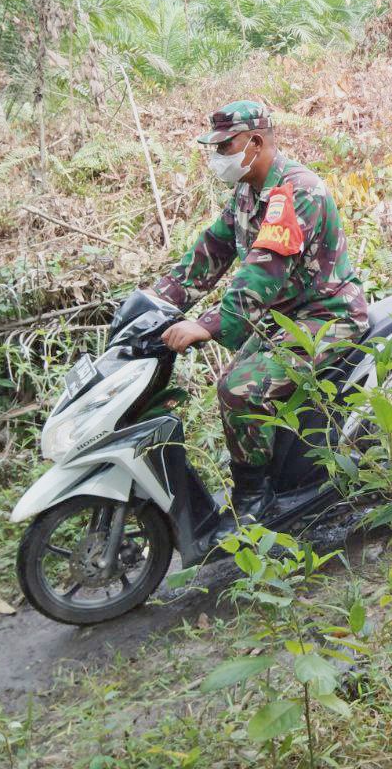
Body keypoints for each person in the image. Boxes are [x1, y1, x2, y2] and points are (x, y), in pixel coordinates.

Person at [153, 100, 369, 528]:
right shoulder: (248, 192)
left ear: (254, 142)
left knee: (240, 389)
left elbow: (263, 273)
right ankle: (280, 473)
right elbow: (211, 250)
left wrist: (206, 325)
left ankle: (256, 499)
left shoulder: (297, 192)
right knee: (234, 382)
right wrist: (158, 301)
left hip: (327, 315)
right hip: (286, 314)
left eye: (224, 146)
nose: (218, 157)